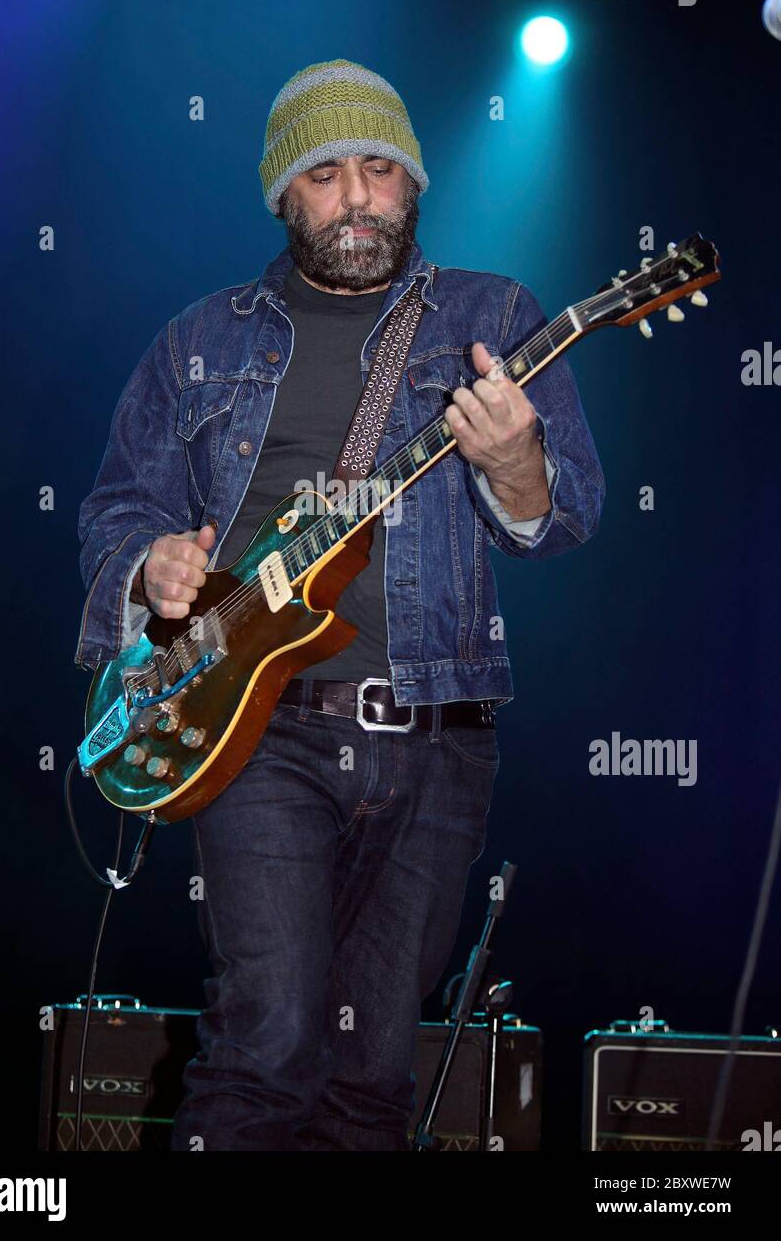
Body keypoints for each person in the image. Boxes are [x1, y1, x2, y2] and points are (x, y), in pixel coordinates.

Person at [76, 59, 605, 1151]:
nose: (359, 197)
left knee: (370, 1077)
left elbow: (562, 517)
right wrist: (148, 571)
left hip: (436, 735)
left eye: (381, 170)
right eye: (326, 175)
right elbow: (116, 507)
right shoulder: (198, 341)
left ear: (413, 188)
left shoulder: (494, 316)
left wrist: (512, 462)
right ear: (284, 195)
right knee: (262, 1045)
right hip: (256, 729)